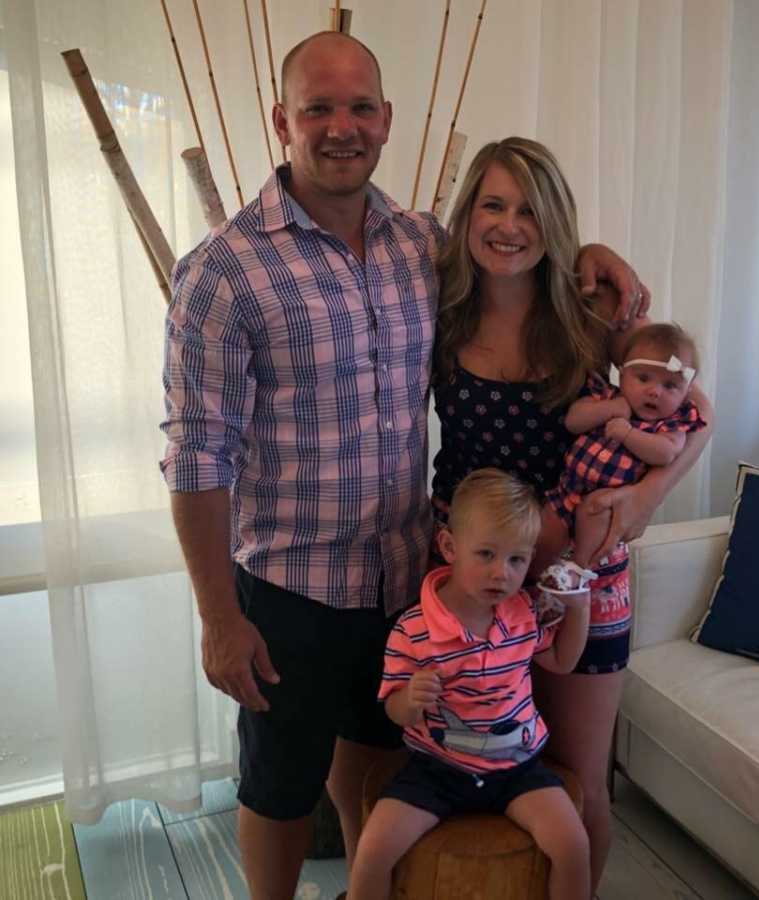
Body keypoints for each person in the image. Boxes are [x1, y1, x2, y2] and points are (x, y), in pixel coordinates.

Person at [160, 32, 647, 900]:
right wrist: (218, 616)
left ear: (386, 121)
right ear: (283, 120)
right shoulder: (224, 272)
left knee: (377, 763)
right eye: (318, 108)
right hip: (291, 586)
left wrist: (590, 257)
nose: (340, 127)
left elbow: (518, 251)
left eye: (359, 108)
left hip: (405, 573)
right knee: (278, 784)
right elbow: (197, 454)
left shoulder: (420, 245)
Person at [430, 136, 714, 891]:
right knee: (471, 763)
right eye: (492, 204)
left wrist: (647, 498)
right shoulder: (441, 312)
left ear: (556, 222)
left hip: (579, 572)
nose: (509, 225)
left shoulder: (592, 326)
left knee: (580, 777)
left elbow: (699, 414)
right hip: (470, 574)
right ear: (467, 216)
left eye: (531, 209)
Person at [349, 468, 592, 900]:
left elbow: (561, 659)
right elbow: (392, 707)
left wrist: (580, 608)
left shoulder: (523, 613)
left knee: (572, 844)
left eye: (517, 560)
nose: (501, 573)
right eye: (485, 554)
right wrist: (411, 699)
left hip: (516, 770)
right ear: (449, 547)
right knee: (372, 850)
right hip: (435, 771)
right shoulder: (415, 627)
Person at [540, 322, 707, 570]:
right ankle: (542, 578)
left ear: (685, 394)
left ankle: (579, 568)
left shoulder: (672, 424)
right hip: (567, 488)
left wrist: (629, 434)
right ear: (623, 375)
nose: (654, 392)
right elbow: (573, 421)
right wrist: (607, 410)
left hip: (608, 502)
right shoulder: (608, 397)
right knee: (541, 540)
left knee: (595, 512)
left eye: (670, 386)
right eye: (643, 378)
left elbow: (666, 453)